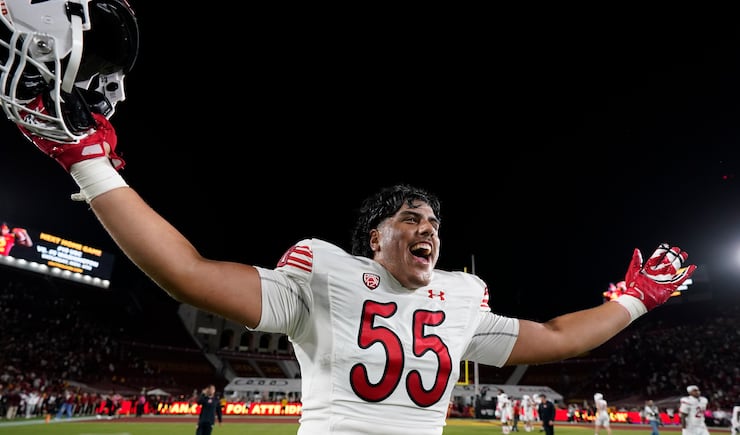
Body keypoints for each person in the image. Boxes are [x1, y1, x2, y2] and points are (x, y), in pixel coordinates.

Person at [0, 3, 697, 434]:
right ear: (374, 237)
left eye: (434, 222)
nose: (428, 228)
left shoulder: (460, 297)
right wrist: (87, 162)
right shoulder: (324, 273)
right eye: (410, 217)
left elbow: (555, 336)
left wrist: (633, 301)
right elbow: (187, 275)